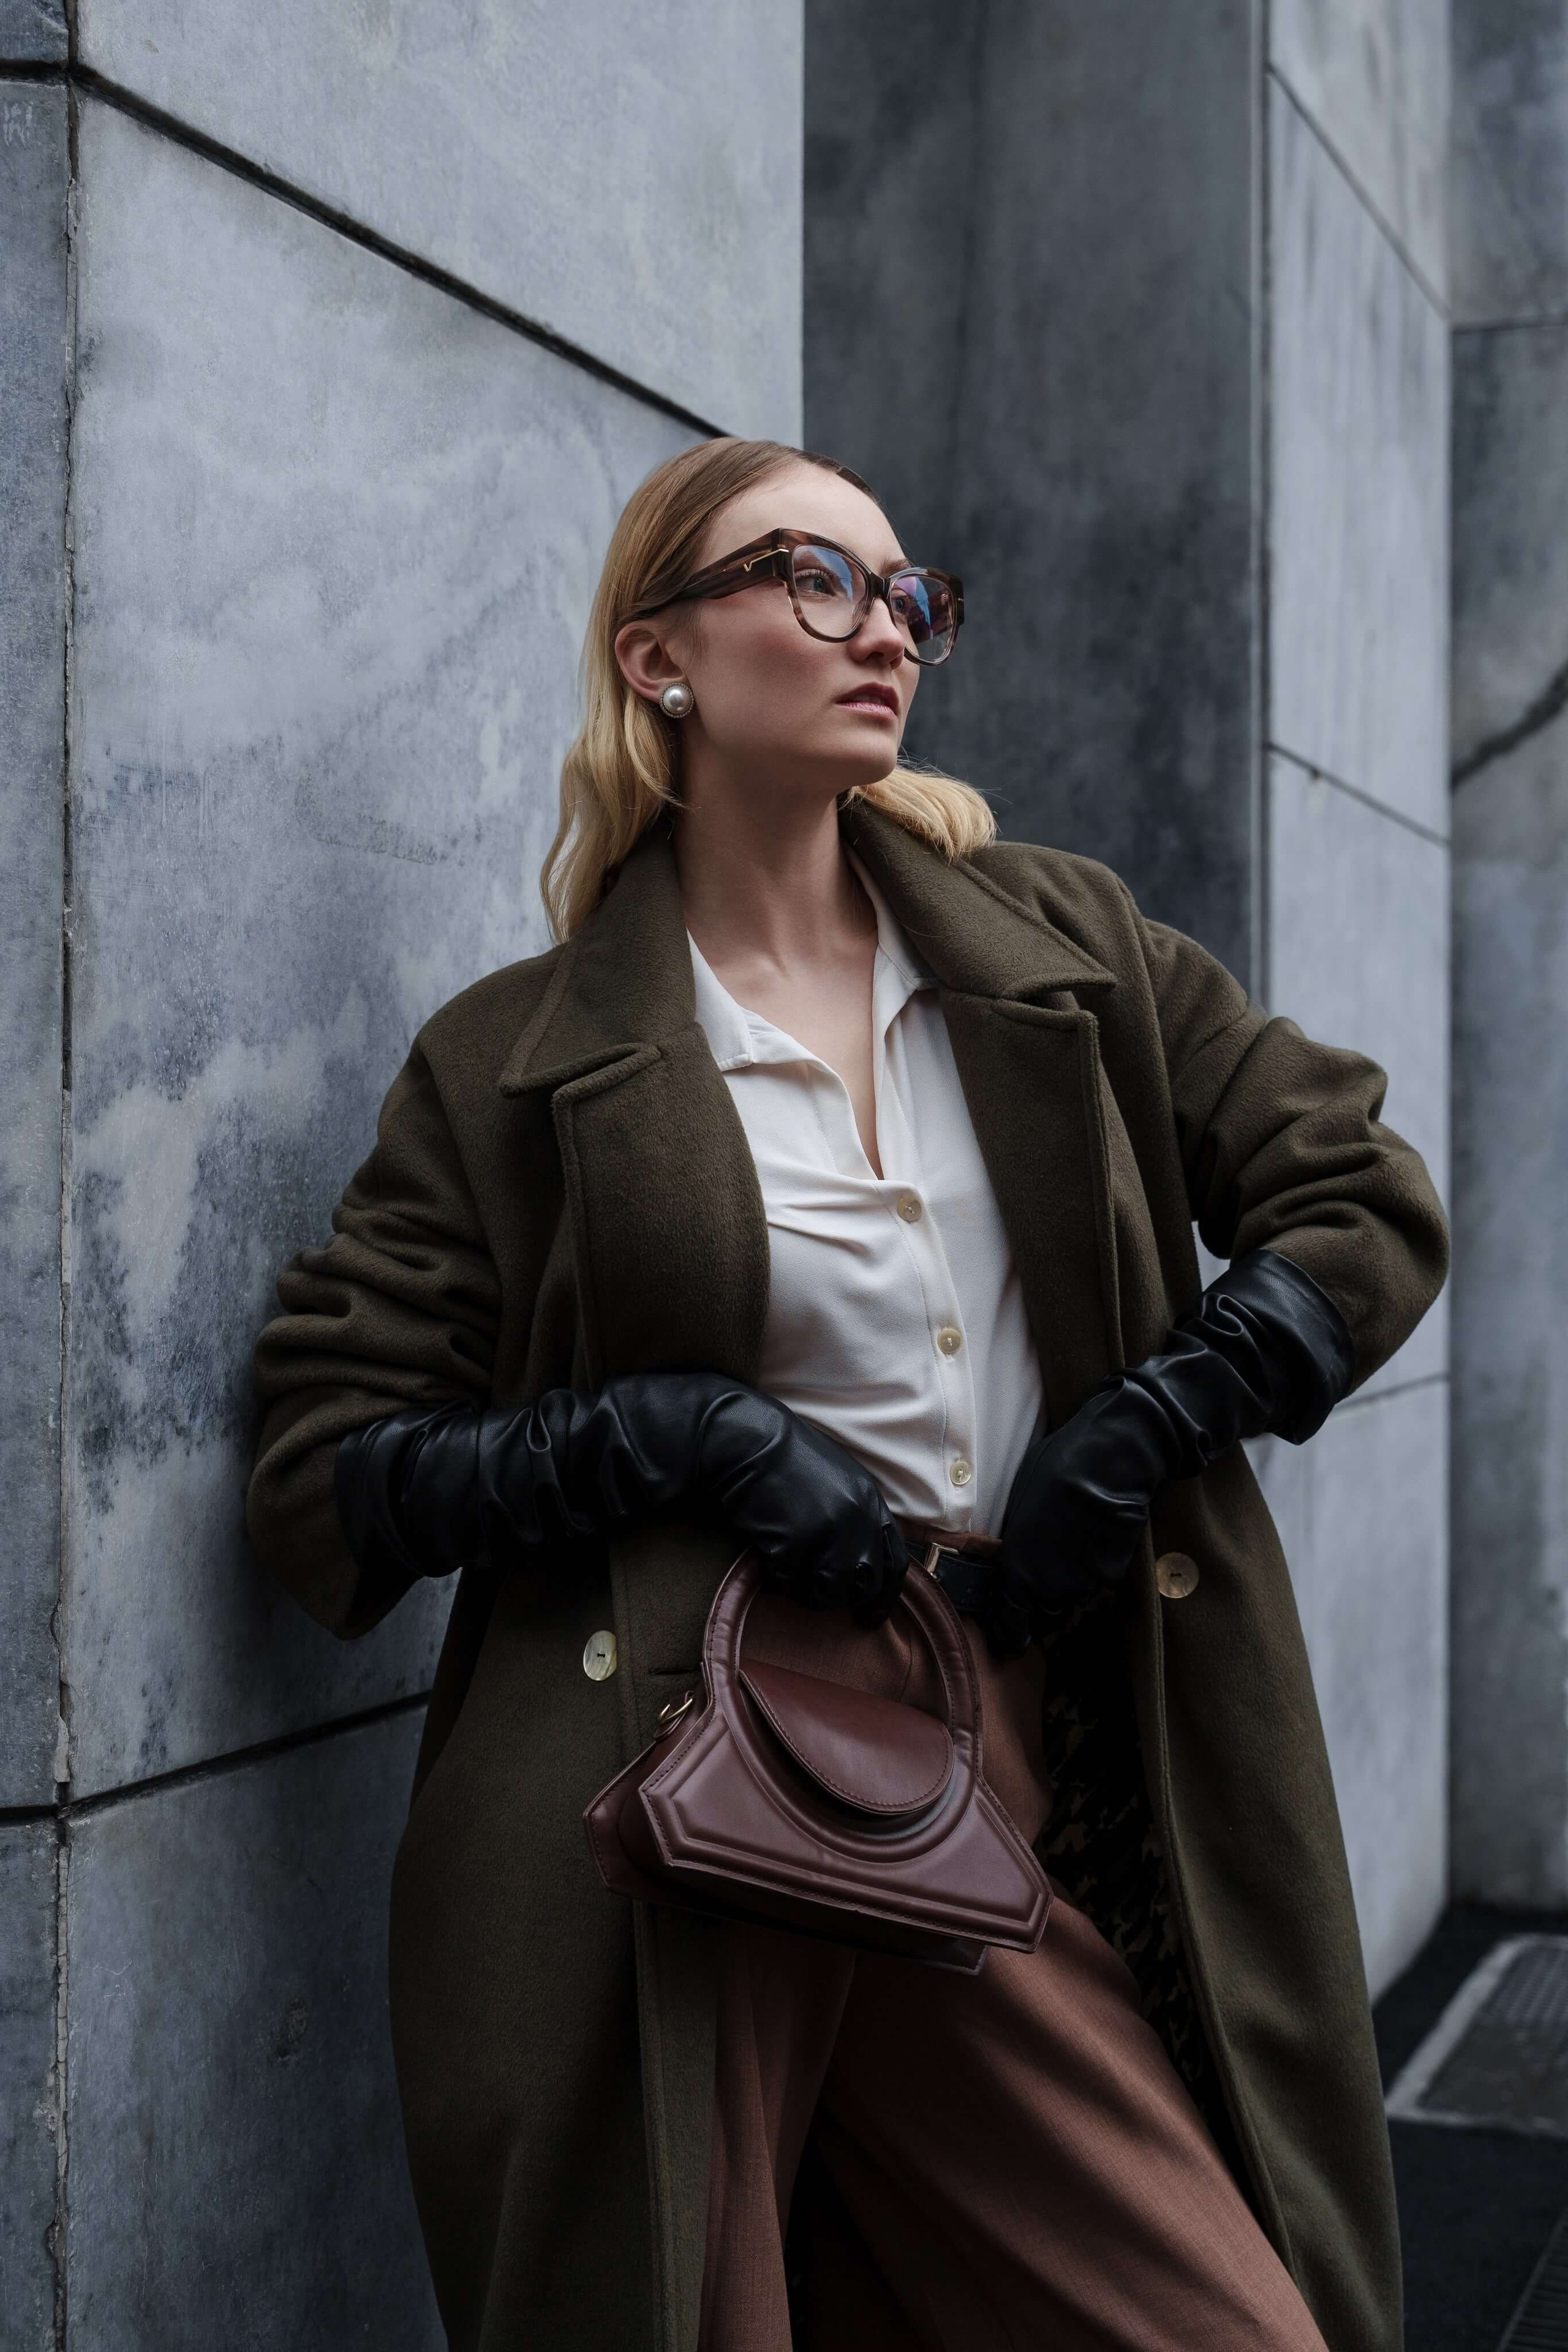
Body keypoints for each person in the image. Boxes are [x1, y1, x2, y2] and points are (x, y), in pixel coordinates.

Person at [247, 436, 1447, 2352]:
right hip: (681, 1766)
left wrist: (1156, 1417)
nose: (883, 625)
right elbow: (323, 1467)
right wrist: (669, 1439)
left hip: (1019, 1731)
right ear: (659, 656)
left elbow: (1360, 1196)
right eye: (816, 578)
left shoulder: (1073, 949)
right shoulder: (509, 1060)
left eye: (907, 594)